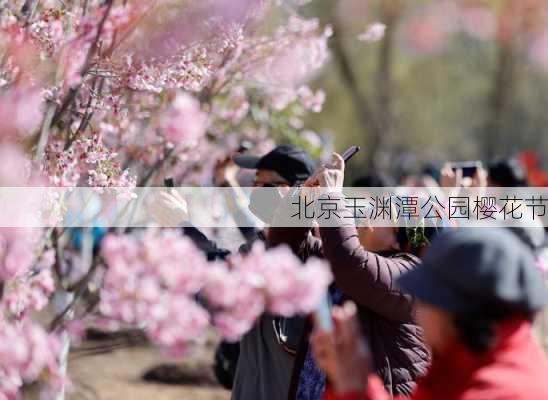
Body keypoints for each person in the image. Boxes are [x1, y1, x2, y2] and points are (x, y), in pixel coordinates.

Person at [149, 144, 316, 395]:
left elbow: (225, 278)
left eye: (264, 186)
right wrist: (225, 185)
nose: (254, 192)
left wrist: (181, 225)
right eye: (254, 183)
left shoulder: (301, 255)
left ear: (295, 191)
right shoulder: (270, 243)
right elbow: (248, 231)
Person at [267, 153, 434, 398]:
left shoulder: (410, 276)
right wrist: (304, 198)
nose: (368, 211)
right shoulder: (337, 258)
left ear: (399, 237)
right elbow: (284, 251)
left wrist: (332, 196)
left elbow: (350, 263)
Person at [312, 228, 548, 400]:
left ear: (457, 310)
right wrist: (357, 384)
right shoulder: (465, 360)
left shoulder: (501, 390)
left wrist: (355, 389)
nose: (420, 311)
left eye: (426, 298)